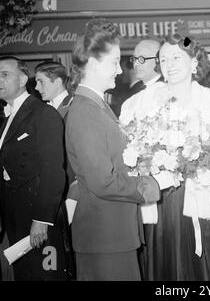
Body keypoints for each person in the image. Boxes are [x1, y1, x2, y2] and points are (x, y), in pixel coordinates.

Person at [119, 33, 210, 281]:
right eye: (164, 59)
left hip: (202, 195)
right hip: (161, 199)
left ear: (194, 61)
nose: (169, 64)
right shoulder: (140, 103)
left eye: (176, 57)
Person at [65, 19, 160, 281]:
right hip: (104, 236)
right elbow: (102, 181)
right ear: (94, 64)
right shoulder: (86, 112)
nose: (119, 70)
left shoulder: (98, 107)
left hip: (112, 234)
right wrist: (146, 186)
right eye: (114, 62)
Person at [0, 56, 70, 281]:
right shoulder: (5, 118)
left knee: (47, 275)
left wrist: (41, 220)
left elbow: (53, 172)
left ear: (22, 79)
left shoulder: (43, 114)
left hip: (37, 219)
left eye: (4, 74)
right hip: (15, 217)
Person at [34, 61, 76, 278]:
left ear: (58, 81)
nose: (37, 88)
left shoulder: (74, 106)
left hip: (71, 192)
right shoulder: (43, 110)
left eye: (41, 82)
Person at [110, 39, 163, 117]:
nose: (136, 63)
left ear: (157, 60)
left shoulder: (165, 89)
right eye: (134, 59)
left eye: (142, 59)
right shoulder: (136, 88)